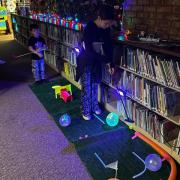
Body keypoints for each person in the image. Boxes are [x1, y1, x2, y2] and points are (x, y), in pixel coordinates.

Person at [76, 4, 115, 120]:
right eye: (105, 23)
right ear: (99, 18)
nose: (107, 26)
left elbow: (108, 47)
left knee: (95, 85)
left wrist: (110, 63)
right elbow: (89, 51)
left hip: (97, 62)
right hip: (86, 61)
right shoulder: (89, 28)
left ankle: (94, 106)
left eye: (109, 24)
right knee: (86, 87)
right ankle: (86, 109)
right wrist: (105, 60)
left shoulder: (106, 29)